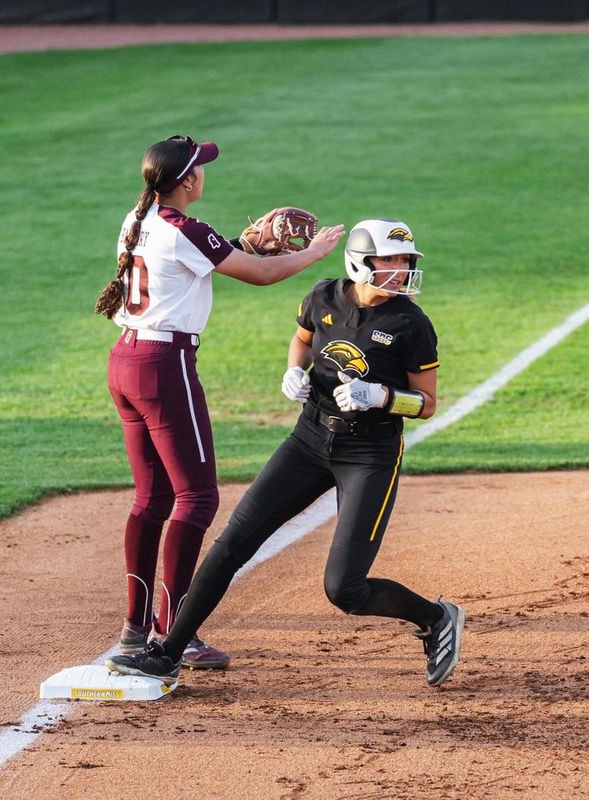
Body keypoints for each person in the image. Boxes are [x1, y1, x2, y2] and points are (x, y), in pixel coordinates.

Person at [107, 218, 465, 688]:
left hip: (369, 454)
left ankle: (436, 618)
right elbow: (302, 340)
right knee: (231, 545)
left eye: (405, 261)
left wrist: (380, 397)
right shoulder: (323, 297)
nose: (400, 270)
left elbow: (427, 404)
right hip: (309, 439)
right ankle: (168, 651)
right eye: (390, 260)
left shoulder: (411, 324)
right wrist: (294, 371)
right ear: (360, 262)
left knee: (346, 589)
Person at [95, 134, 344, 669]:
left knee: (151, 499)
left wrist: (238, 244)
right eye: (201, 168)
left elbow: (195, 259)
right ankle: (175, 633)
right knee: (197, 498)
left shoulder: (137, 219)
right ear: (187, 181)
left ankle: (135, 630)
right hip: (164, 369)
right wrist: (314, 252)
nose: (205, 172)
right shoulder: (186, 230)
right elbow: (262, 275)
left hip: (125, 361)